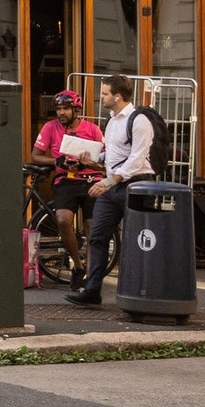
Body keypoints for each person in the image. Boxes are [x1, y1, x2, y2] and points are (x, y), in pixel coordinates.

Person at [67, 74, 157, 306]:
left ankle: (143, 289)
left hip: (135, 185)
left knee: (138, 239)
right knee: (97, 237)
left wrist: (107, 182)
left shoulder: (139, 121)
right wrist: (91, 159)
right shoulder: (112, 120)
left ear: (117, 96)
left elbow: (136, 161)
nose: (101, 97)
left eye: (105, 93)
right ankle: (92, 290)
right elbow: (114, 157)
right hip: (112, 186)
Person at [32, 88, 105, 289]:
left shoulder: (93, 130)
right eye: (58, 109)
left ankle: (91, 277)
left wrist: (89, 163)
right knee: (63, 220)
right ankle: (78, 266)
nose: (61, 113)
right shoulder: (50, 127)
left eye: (66, 109)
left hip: (91, 179)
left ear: (76, 110)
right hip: (65, 179)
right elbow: (35, 155)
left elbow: (105, 161)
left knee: (92, 228)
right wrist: (57, 161)